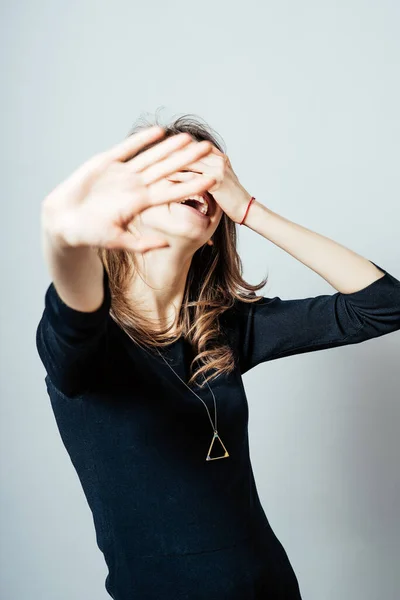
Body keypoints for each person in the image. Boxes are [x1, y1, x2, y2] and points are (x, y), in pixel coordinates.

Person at [36, 114, 400, 599]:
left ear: (214, 230)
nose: (201, 188)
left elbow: (383, 306)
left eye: (210, 177)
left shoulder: (225, 327)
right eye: (177, 173)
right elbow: (73, 312)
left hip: (268, 584)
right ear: (130, 208)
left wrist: (251, 209)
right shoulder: (92, 339)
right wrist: (66, 241)